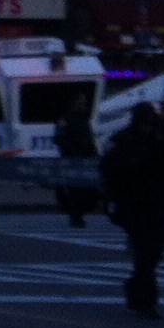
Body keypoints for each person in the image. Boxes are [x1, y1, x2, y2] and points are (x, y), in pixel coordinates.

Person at [101, 102, 164, 320]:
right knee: (145, 253)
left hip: (157, 201)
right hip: (133, 202)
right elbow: (110, 171)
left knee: (153, 252)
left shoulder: (160, 140)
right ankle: (146, 300)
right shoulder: (124, 140)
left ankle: (137, 289)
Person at [54, 95, 101, 228]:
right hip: (72, 159)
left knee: (86, 190)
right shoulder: (65, 120)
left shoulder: (84, 119)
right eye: (80, 103)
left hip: (85, 159)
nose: (83, 106)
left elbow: (90, 139)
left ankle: (79, 213)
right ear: (73, 103)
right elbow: (60, 139)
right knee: (75, 190)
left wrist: (94, 155)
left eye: (84, 103)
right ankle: (76, 216)